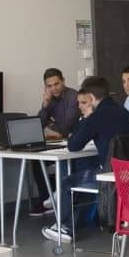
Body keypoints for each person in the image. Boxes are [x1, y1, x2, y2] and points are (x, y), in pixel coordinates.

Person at [42, 76, 129, 243]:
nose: (80, 106)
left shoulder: (96, 116)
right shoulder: (125, 113)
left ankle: (65, 227)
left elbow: (73, 145)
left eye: (84, 101)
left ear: (91, 98)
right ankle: (76, 223)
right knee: (86, 176)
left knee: (66, 182)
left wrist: (85, 120)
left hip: (111, 176)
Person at [30, 68, 80, 217]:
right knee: (36, 160)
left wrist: (52, 129)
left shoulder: (73, 97)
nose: (53, 88)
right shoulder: (49, 98)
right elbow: (39, 124)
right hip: (57, 143)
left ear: (63, 81)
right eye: (49, 86)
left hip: (74, 143)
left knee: (55, 162)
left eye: (56, 84)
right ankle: (48, 199)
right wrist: (45, 105)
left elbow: (67, 125)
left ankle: (56, 199)